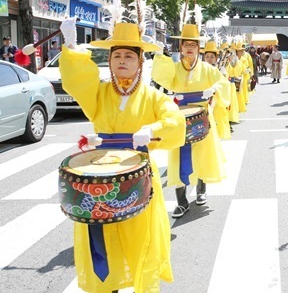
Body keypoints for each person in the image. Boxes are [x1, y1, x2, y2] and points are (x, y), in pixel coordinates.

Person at [58, 17, 186, 293]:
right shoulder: (100, 92)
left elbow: (175, 123)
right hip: (101, 173)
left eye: (129, 55)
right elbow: (78, 81)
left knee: (141, 236)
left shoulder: (154, 97)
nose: (122, 61)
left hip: (137, 176)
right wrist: (70, 46)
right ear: (110, 60)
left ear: (140, 62)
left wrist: (153, 128)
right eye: (117, 55)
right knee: (103, 234)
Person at [152, 23, 229, 218]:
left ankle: (201, 191)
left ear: (198, 48)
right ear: (180, 47)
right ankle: (181, 201)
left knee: (202, 153)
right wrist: (161, 56)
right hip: (179, 114)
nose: (189, 48)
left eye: (193, 45)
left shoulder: (207, 68)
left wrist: (214, 89)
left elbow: (223, 82)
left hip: (202, 114)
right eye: (185, 45)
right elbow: (162, 79)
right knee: (178, 155)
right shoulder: (175, 68)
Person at [202, 40, 232, 140]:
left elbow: (225, 84)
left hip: (216, 99)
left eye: (212, 57)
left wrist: (215, 88)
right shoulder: (200, 69)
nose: (209, 59)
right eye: (207, 57)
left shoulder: (220, 69)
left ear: (216, 58)